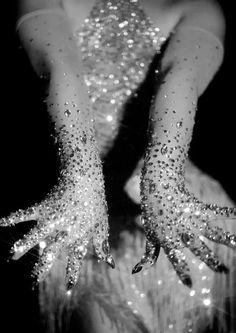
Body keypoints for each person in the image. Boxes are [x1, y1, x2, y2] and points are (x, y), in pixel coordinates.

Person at [0, 0, 235, 332]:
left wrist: (162, 185)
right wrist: (83, 182)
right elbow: (60, 66)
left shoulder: (197, 7)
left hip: (177, 215)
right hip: (84, 218)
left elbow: (180, 78)